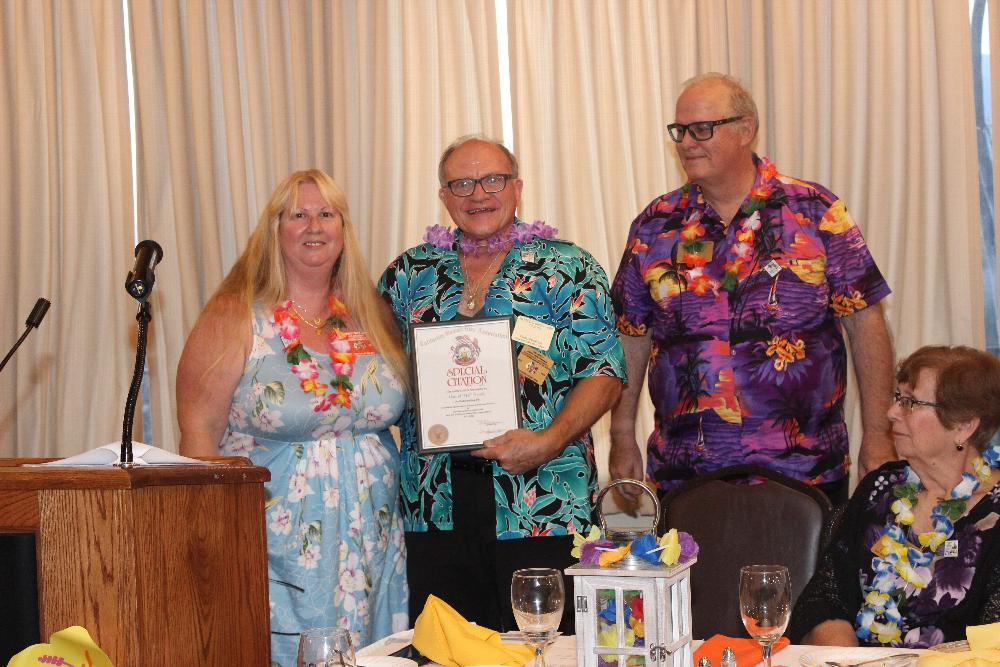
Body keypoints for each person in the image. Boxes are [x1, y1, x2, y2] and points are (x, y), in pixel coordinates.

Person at [377, 135, 626, 633]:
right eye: (461, 183)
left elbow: (605, 372)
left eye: (491, 179)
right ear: (444, 196)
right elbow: (376, 368)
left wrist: (546, 442)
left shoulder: (566, 268)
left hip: (541, 499)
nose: (478, 194)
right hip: (435, 504)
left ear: (516, 188)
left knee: (547, 649)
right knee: (446, 652)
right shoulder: (409, 274)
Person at [609, 72, 895, 504]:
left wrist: (877, 433)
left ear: (746, 129)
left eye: (702, 129)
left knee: (808, 576)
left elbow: (865, 323)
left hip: (804, 468)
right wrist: (621, 434)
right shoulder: (655, 225)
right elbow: (630, 337)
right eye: (680, 130)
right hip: (688, 472)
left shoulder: (814, 211)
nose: (687, 142)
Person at [176, 169, 411, 665]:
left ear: (344, 229)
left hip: (373, 537)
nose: (314, 226)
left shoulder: (371, 315)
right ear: (274, 229)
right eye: (298, 215)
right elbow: (198, 433)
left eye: (327, 214)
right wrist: (213, 538)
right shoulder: (235, 315)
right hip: (274, 542)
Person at [789, 345, 1000, 647]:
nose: (891, 413)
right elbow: (825, 596)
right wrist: (849, 660)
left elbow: (993, 641)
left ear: (964, 426)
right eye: (897, 398)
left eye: (911, 403)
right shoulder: (882, 488)